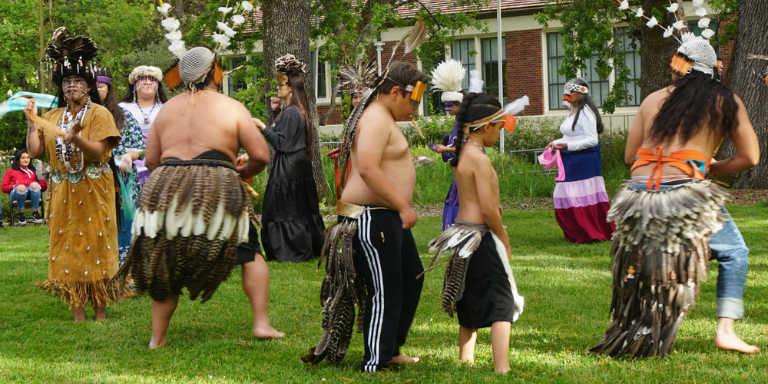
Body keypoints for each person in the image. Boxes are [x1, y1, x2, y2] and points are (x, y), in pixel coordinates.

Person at [590, 34, 761, 358]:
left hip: (636, 198)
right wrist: (712, 167)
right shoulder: (725, 100)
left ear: (677, 68)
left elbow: (630, 157)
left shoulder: (653, 99)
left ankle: (639, 328)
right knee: (734, 252)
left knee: (648, 260)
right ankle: (726, 331)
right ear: (712, 70)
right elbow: (750, 157)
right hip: (682, 195)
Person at [112, 47, 281, 349]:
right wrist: (238, 175)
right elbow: (260, 155)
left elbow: (151, 161)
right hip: (217, 184)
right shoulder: (231, 107)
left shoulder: (166, 110)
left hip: (165, 189)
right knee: (250, 253)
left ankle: (157, 338)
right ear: (214, 71)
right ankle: (261, 323)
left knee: (166, 262)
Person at [23, 27, 132, 321]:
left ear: (88, 86)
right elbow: (34, 151)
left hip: (94, 189)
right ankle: (77, 312)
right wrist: (32, 122)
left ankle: (100, 311)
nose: (71, 86)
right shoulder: (52, 117)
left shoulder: (99, 114)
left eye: (77, 81)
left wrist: (77, 139)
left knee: (97, 244)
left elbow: (98, 152)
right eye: (67, 81)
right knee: (67, 246)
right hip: (62, 193)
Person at [425, 92, 524, 374]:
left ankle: (465, 360)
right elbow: (488, 209)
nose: (500, 132)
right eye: (499, 127)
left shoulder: (462, 154)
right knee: (501, 303)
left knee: (467, 300)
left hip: (460, 236)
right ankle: (501, 368)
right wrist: (503, 237)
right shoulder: (480, 160)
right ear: (485, 127)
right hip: (481, 237)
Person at [251, 54, 325, 263]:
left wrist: (261, 126)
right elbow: (285, 136)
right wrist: (275, 114)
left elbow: (282, 143)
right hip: (295, 165)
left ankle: (290, 251)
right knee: (296, 207)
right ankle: (299, 248)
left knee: (282, 208)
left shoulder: (293, 112)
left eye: (281, 84)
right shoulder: (291, 111)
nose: (277, 88)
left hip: (289, 167)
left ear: (291, 87)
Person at [544, 78, 615, 243]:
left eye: (574, 91)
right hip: (571, 160)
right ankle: (578, 231)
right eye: (569, 91)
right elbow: (570, 135)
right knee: (564, 195)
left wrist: (567, 145)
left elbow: (592, 140)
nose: (570, 94)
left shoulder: (586, 112)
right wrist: (556, 143)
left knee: (580, 197)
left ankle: (590, 232)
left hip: (584, 162)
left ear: (582, 92)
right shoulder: (573, 111)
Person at [95, 67, 145, 264]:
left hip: (121, 181)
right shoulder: (80, 117)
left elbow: (141, 149)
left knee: (124, 226)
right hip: (91, 181)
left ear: (108, 89)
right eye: (94, 86)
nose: (97, 90)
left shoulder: (123, 115)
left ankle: (126, 271)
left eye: (101, 86)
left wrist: (128, 156)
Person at [428, 59, 466, 230]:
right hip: (462, 171)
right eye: (446, 105)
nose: (448, 109)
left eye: (451, 105)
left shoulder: (466, 121)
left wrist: (445, 148)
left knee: (460, 200)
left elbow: (467, 147)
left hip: (469, 170)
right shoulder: (459, 120)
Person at [1, 149, 47, 224]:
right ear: (18, 159)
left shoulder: (34, 171)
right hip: (16, 195)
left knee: (34, 184)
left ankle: (35, 212)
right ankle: (21, 214)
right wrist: (12, 186)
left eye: (28, 158)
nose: (26, 160)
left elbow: (44, 187)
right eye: (23, 158)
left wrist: (37, 185)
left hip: (32, 194)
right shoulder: (10, 171)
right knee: (21, 187)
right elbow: (3, 188)